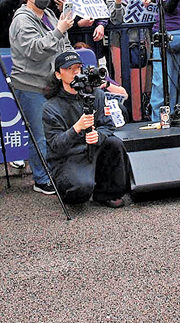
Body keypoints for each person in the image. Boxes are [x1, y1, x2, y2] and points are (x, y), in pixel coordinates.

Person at [10, 0, 73, 195]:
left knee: (54, 131)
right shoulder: (22, 20)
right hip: (30, 84)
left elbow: (64, 43)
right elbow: (35, 50)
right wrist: (59, 30)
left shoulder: (48, 14)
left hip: (51, 82)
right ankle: (42, 178)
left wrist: (74, 62)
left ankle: (55, 172)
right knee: (40, 133)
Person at [42, 51, 131, 207]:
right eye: (69, 68)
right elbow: (55, 145)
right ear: (58, 74)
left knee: (114, 143)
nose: (75, 72)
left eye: (78, 67)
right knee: (80, 191)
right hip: (69, 156)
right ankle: (72, 186)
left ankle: (106, 193)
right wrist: (77, 128)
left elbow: (108, 125)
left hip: (93, 147)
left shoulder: (97, 94)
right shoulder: (51, 107)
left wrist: (99, 135)